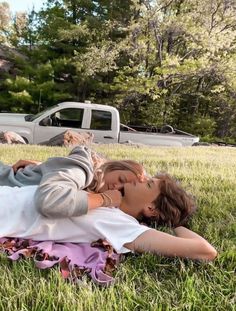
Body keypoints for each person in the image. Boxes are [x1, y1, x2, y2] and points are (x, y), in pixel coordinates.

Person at [0, 173, 217, 261]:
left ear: (151, 208)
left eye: (148, 184)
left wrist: (178, 225)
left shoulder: (122, 226)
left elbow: (205, 251)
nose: (140, 179)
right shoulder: (107, 198)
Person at [0, 146, 146, 218]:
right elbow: (51, 201)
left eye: (122, 191)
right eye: (121, 179)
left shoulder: (87, 179)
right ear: (115, 167)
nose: (116, 187)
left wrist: (43, 166)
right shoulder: (84, 169)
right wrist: (104, 199)